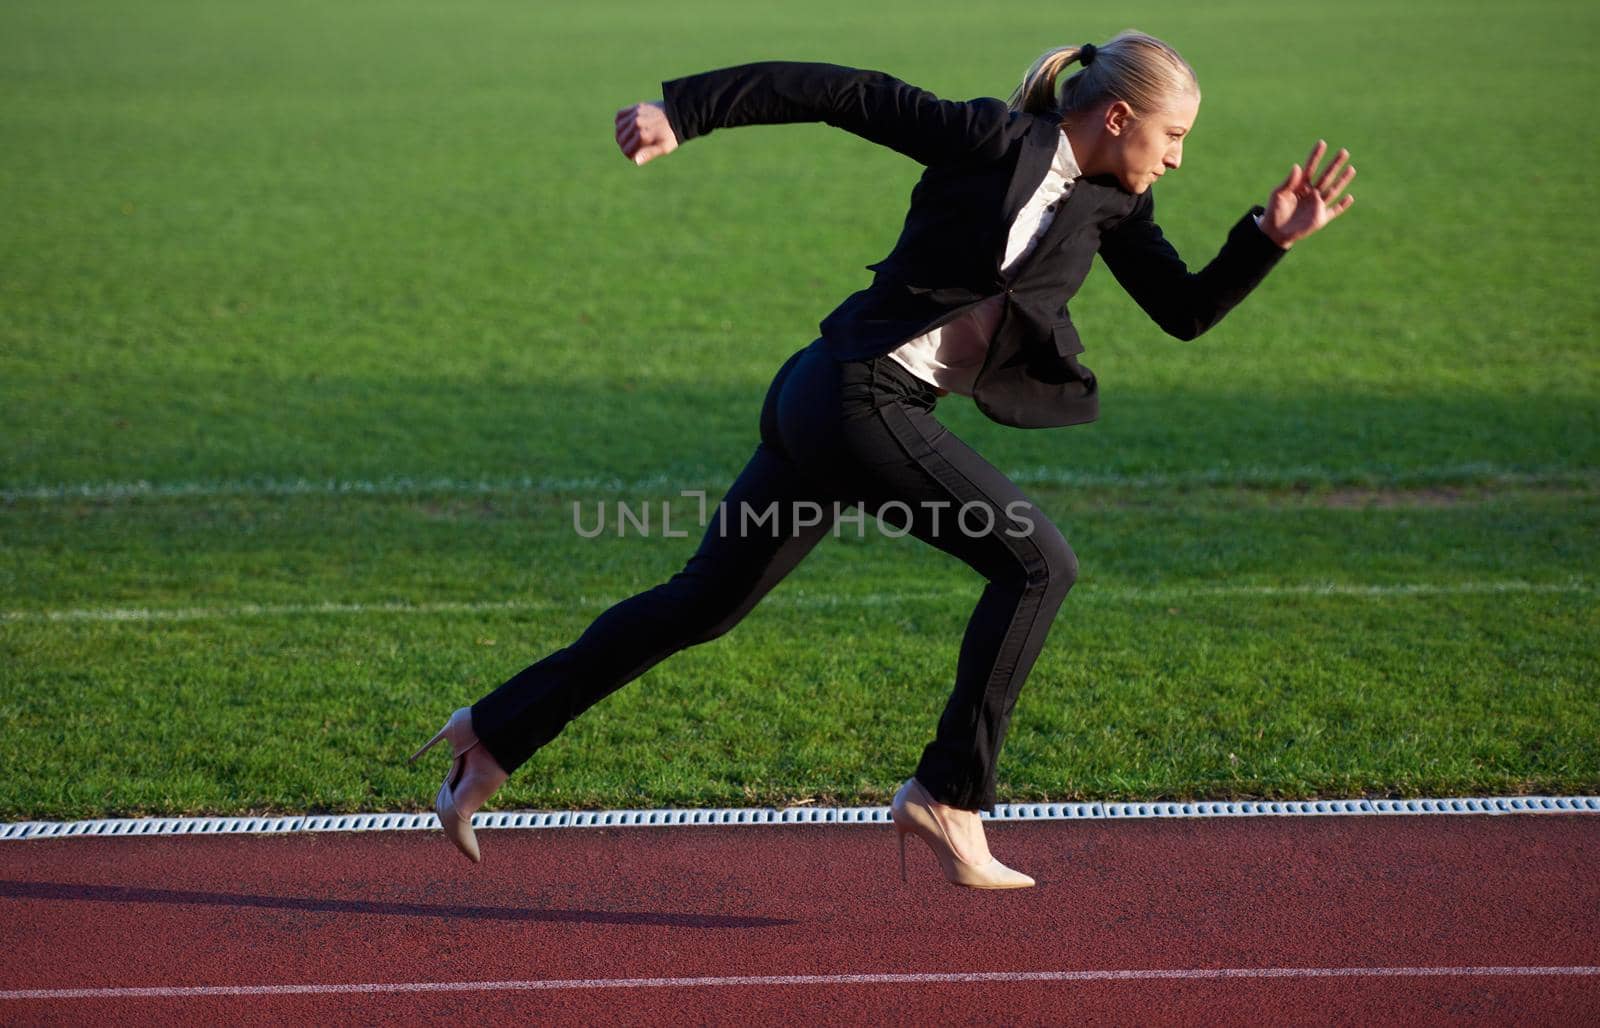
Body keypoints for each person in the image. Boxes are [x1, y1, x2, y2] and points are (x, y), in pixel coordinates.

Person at [410, 32, 1355, 888]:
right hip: (850, 392)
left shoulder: (1113, 206)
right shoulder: (989, 139)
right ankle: (949, 794)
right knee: (1037, 564)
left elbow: (1183, 311)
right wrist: (683, 113)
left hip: (837, 401)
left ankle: (494, 734)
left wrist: (1267, 239)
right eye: (1173, 133)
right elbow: (840, 91)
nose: (1178, 156)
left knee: (701, 604)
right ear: (1118, 116)